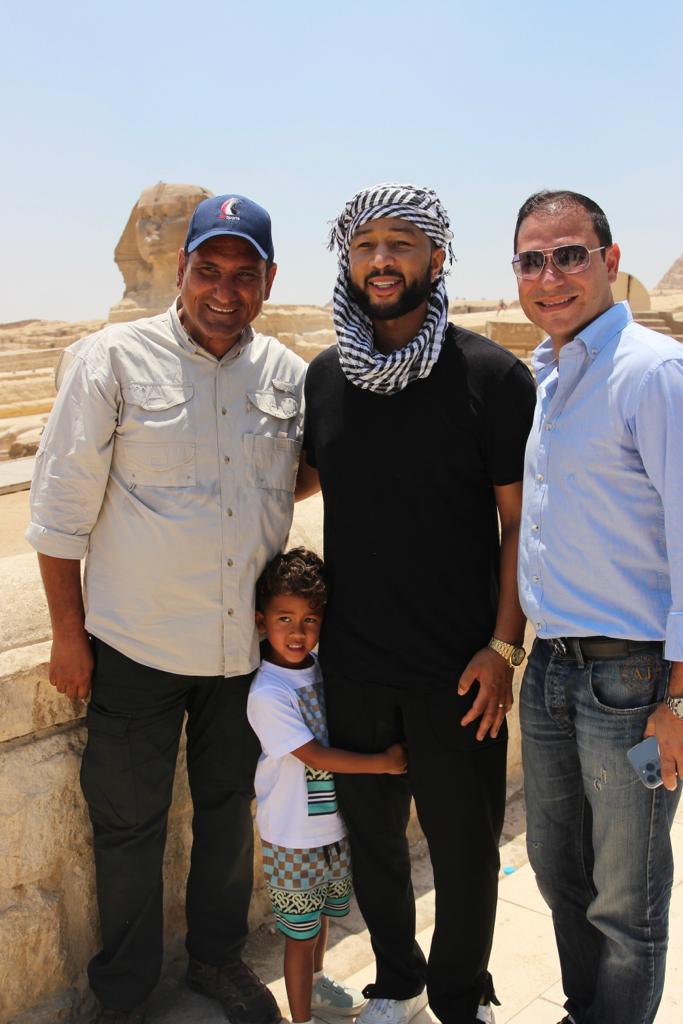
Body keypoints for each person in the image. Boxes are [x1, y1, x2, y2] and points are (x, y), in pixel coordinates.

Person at [26, 193, 307, 1024]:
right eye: (207, 269)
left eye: (243, 274)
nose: (224, 290)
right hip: (135, 647)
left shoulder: (286, 374)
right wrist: (68, 635)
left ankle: (216, 962)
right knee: (127, 828)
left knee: (226, 816)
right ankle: (125, 993)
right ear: (181, 269)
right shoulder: (112, 359)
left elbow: (298, 473)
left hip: (238, 652)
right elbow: (59, 510)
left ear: (268, 280)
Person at [296, 183, 536, 1024]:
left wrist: (502, 648)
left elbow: (519, 524)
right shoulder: (324, 377)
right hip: (354, 662)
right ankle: (396, 982)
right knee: (373, 844)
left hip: (458, 667)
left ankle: (460, 995)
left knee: (464, 850)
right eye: (364, 245)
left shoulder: (490, 376)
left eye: (400, 244)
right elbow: (292, 483)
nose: (381, 260)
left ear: (436, 257)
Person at [514, 189, 683, 1024]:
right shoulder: (543, 376)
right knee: (559, 875)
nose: (549, 277)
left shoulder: (651, 373)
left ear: (610, 262)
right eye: (531, 261)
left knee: (626, 902)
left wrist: (677, 702)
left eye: (568, 255)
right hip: (549, 667)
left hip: (631, 681)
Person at [247, 547, 407, 1024]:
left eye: (309, 620)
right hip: (293, 836)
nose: (297, 633)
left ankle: (317, 987)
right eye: (285, 619)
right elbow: (314, 755)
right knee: (298, 936)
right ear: (261, 621)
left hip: (330, 828)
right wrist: (383, 764)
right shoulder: (268, 692)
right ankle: (301, 1018)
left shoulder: (318, 668)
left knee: (320, 919)